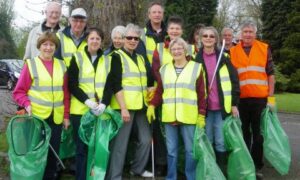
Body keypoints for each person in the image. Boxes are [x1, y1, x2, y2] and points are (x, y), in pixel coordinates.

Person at [13, 31, 70, 180]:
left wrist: (65, 117)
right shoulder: (31, 65)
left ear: (55, 47)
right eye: (45, 44)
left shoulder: (61, 65)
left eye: (52, 45)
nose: (48, 48)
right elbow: (18, 92)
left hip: (56, 119)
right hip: (36, 119)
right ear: (39, 46)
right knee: (35, 154)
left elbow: (65, 94)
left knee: (52, 155)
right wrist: (27, 104)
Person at [147, 37, 206, 180]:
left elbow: (202, 94)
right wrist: (152, 105)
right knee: (171, 151)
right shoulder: (164, 69)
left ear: (185, 50)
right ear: (170, 51)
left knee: (190, 151)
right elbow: (160, 91)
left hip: (189, 116)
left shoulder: (196, 67)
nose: (177, 51)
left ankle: (190, 176)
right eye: (173, 49)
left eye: (180, 48)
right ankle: (171, 177)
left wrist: (202, 114)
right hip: (169, 116)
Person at [105, 23, 153, 180]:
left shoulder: (140, 57)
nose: (133, 41)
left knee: (146, 140)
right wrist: (123, 108)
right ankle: (115, 176)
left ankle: (136, 169)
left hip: (140, 106)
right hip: (123, 107)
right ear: (124, 38)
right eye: (129, 37)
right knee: (120, 145)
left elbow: (145, 81)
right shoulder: (116, 56)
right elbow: (115, 84)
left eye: (136, 38)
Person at [230, 20, 275, 179]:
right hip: (240, 100)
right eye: (245, 32)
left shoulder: (264, 48)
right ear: (240, 34)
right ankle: (245, 164)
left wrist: (271, 98)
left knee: (258, 134)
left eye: (250, 32)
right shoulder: (233, 51)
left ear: (255, 34)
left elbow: (270, 73)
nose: (247, 34)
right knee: (243, 134)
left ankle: (257, 166)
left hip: (260, 99)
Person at [67, 27, 112, 180]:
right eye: (92, 38)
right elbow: (72, 84)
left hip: (100, 111)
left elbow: (109, 85)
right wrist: (87, 101)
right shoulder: (77, 57)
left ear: (101, 42)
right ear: (87, 40)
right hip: (80, 111)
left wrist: (104, 104)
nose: (94, 41)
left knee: (98, 149)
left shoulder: (107, 60)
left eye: (97, 39)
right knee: (81, 150)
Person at [195, 26, 240, 175]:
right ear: (201, 39)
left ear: (216, 39)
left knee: (220, 141)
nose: (208, 38)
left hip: (222, 109)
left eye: (211, 36)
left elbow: (234, 81)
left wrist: (234, 104)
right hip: (204, 110)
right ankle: (210, 171)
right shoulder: (196, 59)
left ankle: (221, 171)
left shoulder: (224, 58)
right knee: (208, 141)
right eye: (205, 36)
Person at [152, 15, 196, 81]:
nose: (174, 31)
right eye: (172, 28)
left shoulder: (191, 48)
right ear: (167, 30)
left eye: (177, 29)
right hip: (165, 88)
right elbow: (155, 71)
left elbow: (194, 70)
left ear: (182, 31)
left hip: (185, 88)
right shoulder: (159, 47)